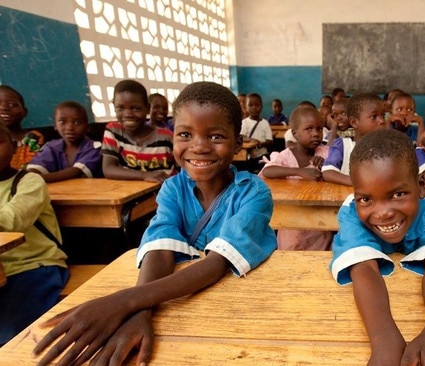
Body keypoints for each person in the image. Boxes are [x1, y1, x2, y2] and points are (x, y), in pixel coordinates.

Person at [33, 81, 277, 365]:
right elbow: (160, 247)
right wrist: (139, 314)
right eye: (185, 134)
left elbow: (215, 264)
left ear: (237, 144)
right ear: (172, 137)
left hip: (243, 306)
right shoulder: (173, 189)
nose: (199, 147)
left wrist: (124, 302)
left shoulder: (253, 192)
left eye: (215, 137)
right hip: (181, 309)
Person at [330, 128, 425, 365]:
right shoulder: (351, 213)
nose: (383, 213)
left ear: (421, 185)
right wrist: (384, 340)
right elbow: (364, 269)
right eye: (366, 199)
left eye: (398, 194)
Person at [0, 122, 68, 346]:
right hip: (3, 271)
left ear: (13, 146)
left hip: (35, 266)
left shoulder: (29, 181)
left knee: (13, 336)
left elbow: (11, 219)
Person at [259, 107, 332, 250]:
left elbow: (337, 171)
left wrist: (326, 165)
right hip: (291, 221)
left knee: (319, 260)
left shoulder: (326, 153)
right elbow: (268, 171)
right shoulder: (286, 155)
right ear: (295, 133)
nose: (316, 134)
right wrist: (299, 172)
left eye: (319, 129)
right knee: (290, 258)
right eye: (309, 129)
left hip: (320, 220)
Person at [102, 79, 175, 183]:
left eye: (135, 108)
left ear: (147, 108)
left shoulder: (166, 137)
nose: (127, 114)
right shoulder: (114, 131)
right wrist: (144, 175)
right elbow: (108, 169)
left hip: (165, 193)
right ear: (114, 106)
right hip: (129, 194)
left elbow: (184, 168)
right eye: (120, 108)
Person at [26, 101, 103, 182]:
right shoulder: (51, 147)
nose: (70, 127)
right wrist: (29, 177)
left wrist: (36, 179)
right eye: (62, 122)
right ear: (55, 125)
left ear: (87, 126)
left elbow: (76, 172)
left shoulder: (94, 148)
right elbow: (34, 169)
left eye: (77, 122)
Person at [322, 93, 386, 186]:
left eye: (383, 116)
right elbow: (328, 172)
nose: (382, 121)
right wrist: (357, 183)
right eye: (374, 117)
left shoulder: (387, 148)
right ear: (354, 122)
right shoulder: (343, 146)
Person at [0, 85, 45, 169]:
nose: (4, 108)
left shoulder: (32, 138)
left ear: (24, 112)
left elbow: (33, 166)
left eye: (12, 104)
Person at [240, 93, 273, 173]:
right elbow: (241, 136)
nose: (254, 108)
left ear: (261, 107)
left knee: (262, 174)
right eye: (250, 105)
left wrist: (260, 144)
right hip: (249, 156)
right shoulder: (245, 122)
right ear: (246, 108)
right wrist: (252, 140)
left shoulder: (265, 123)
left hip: (263, 155)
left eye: (257, 105)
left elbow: (270, 141)